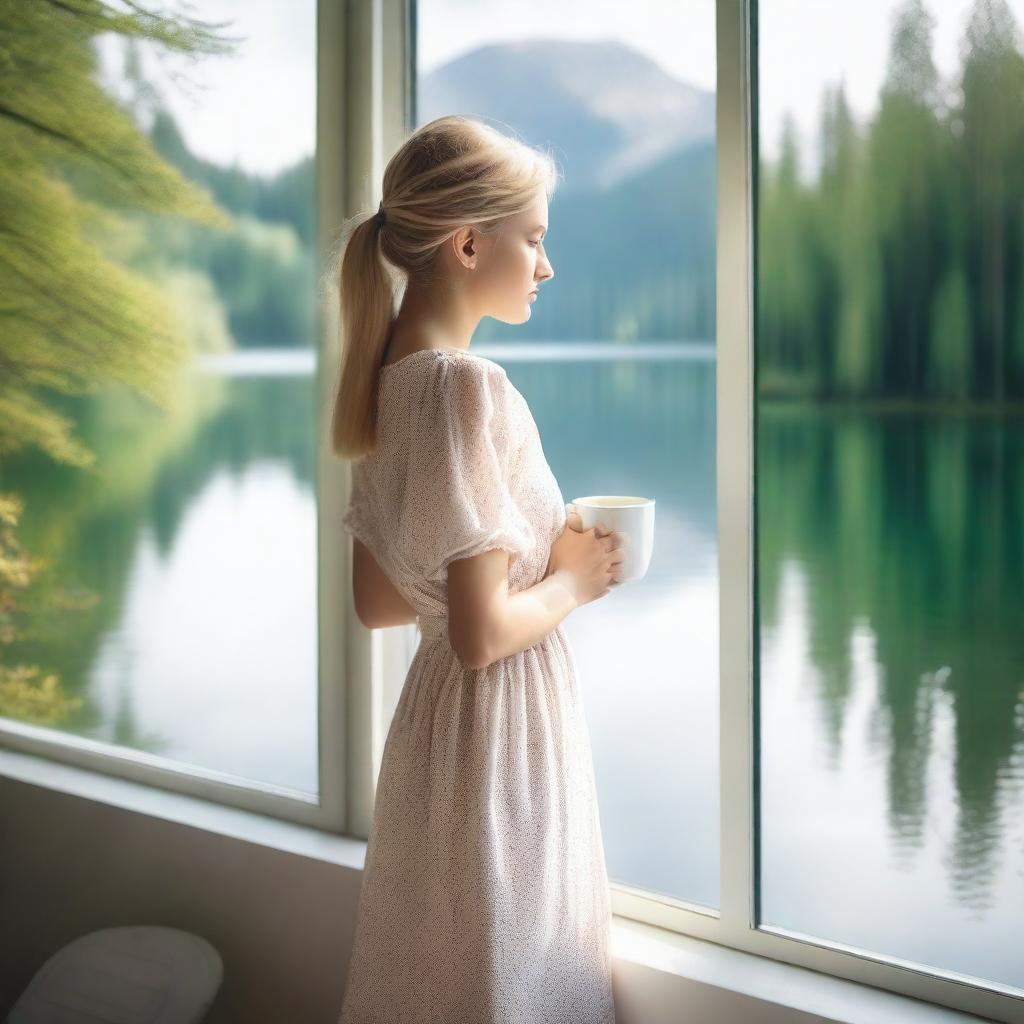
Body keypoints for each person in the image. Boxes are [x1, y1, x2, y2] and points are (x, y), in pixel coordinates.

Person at [330, 113, 624, 1023]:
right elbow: (481, 634)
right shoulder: (465, 387)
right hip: (503, 742)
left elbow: (380, 602)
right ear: (468, 243)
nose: (545, 265)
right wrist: (575, 578)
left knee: (437, 970)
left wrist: (511, 556)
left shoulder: (390, 383)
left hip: (432, 743)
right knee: (508, 978)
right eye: (533, 239)